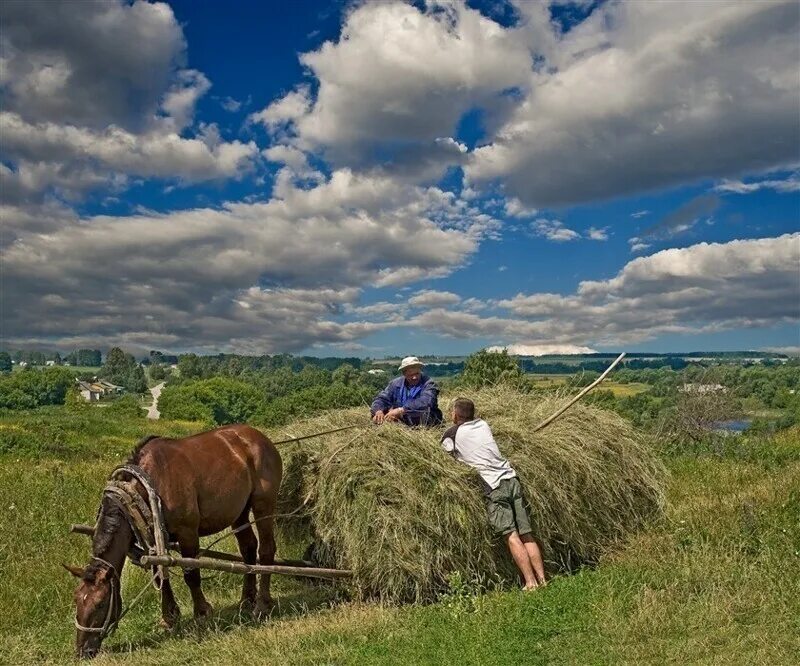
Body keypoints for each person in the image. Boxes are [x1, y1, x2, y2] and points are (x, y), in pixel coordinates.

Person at [441, 397, 546, 590]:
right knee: (526, 534)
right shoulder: (483, 424)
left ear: (455, 414)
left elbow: (444, 455)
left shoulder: (452, 434)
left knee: (511, 535)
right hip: (511, 478)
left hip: (494, 485)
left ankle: (530, 583)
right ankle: (543, 580)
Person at [370, 356, 443, 426]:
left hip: (424, 420)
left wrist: (401, 410)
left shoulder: (428, 383)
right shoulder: (395, 384)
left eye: (417, 373)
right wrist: (378, 410)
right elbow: (382, 398)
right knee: (378, 416)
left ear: (420, 371)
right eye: (410, 375)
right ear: (404, 374)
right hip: (399, 419)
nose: (414, 377)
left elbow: (426, 401)